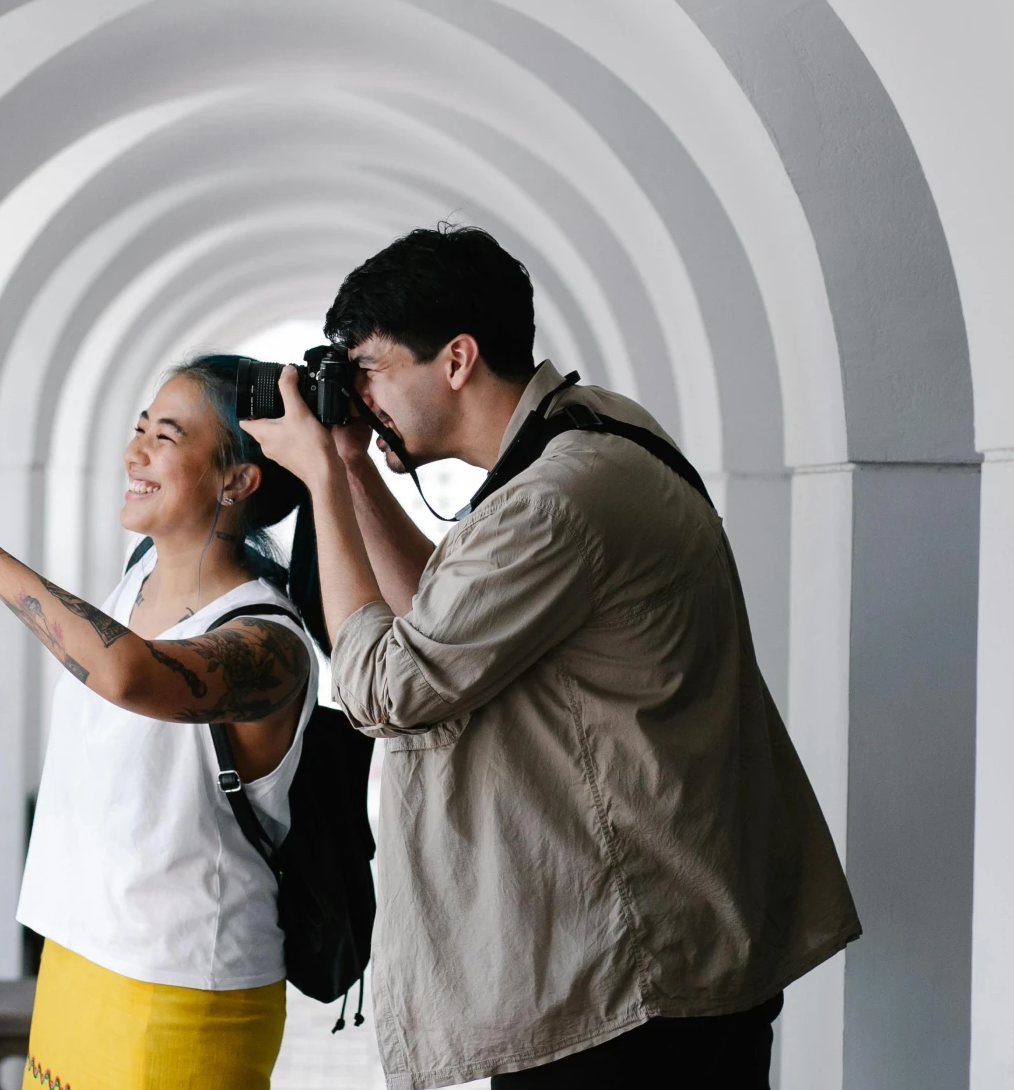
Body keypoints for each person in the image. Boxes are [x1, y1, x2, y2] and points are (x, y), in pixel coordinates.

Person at [243, 227, 858, 1089]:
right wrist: (348, 464)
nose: (360, 394)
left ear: (457, 358)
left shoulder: (559, 499)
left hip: (632, 982)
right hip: (643, 956)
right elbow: (449, 616)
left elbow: (388, 685)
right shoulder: (591, 429)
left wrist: (317, 481)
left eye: (371, 369)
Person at [0, 356, 317, 1090]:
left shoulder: (270, 643)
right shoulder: (135, 580)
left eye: (167, 436)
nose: (135, 451)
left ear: (236, 479)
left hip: (181, 987)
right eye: (139, 427)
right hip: (78, 962)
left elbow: (129, 674)